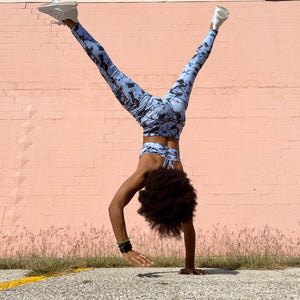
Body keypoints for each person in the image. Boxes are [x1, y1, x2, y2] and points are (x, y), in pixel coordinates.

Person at [38, 1, 229, 275]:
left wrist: (190, 265)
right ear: (150, 196)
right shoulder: (147, 172)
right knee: (109, 70)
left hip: (175, 118)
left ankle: (215, 25)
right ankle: (71, 20)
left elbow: (188, 224)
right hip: (150, 116)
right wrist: (125, 247)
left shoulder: (179, 176)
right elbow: (115, 206)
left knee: (192, 67)